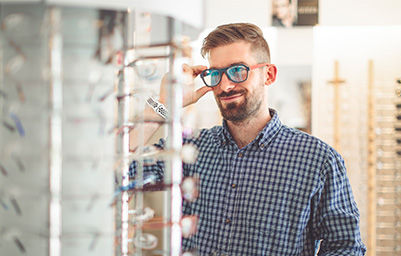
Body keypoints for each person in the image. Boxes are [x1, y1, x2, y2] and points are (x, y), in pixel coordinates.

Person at [130, 23, 366, 255]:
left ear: (269, 74)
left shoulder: (318, 160)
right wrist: (163, 105)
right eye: (215, 74)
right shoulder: (189, 148)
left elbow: (346, 247)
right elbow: (117, 173)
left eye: (238, 70)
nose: (225, 85)